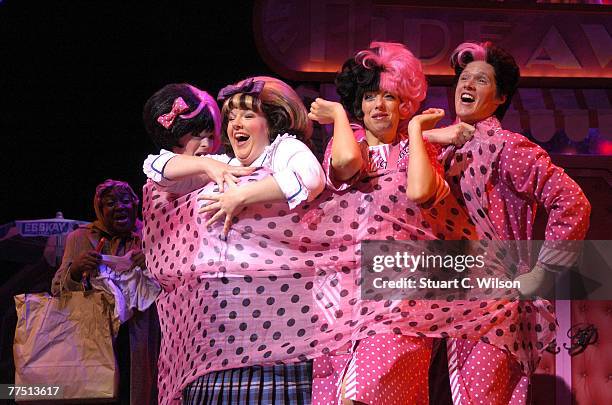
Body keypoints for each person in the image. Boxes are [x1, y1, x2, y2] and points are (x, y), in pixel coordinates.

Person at [307, 41, 472, 405]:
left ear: (405, 103)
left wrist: (415, 131)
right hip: (343, 294)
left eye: (389, 97)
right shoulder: (347, 143)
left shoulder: (421, 150)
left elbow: (419, 191)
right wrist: (337, 114)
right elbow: (348, 164)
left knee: (362, 395)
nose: (379, 106)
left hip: (400, 295)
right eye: (368, 97)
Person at [142, 76, 325, 404]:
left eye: (248, 115)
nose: (235, 124)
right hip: (219, 336)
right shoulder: (225, 164)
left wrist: (241, 197)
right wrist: (206, 164)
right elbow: (156, 166)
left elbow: (310, 179)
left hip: (280, 332)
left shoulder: (282, 149)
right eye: (230, 117)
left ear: (272, 119)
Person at [437, 41, 591, 404]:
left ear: (501, 97)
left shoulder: (507, 148)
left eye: (481, 80)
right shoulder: (440, 149)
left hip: (492, 302)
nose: (468, 85)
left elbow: (572, 202)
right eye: (464, 77)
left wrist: (543, 271)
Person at [51, 179, 161, 405]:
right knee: (96, 392)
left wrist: (153, 264)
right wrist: (76, 269)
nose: (120, 207)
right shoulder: (80, 238)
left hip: (139, 336)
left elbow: (171, 284)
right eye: (111, 203)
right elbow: (57, 290)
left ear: (135, 204)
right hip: (93, 335)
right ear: (100, 209)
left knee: (136, 390)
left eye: (125, 201)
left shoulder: (151, 235)